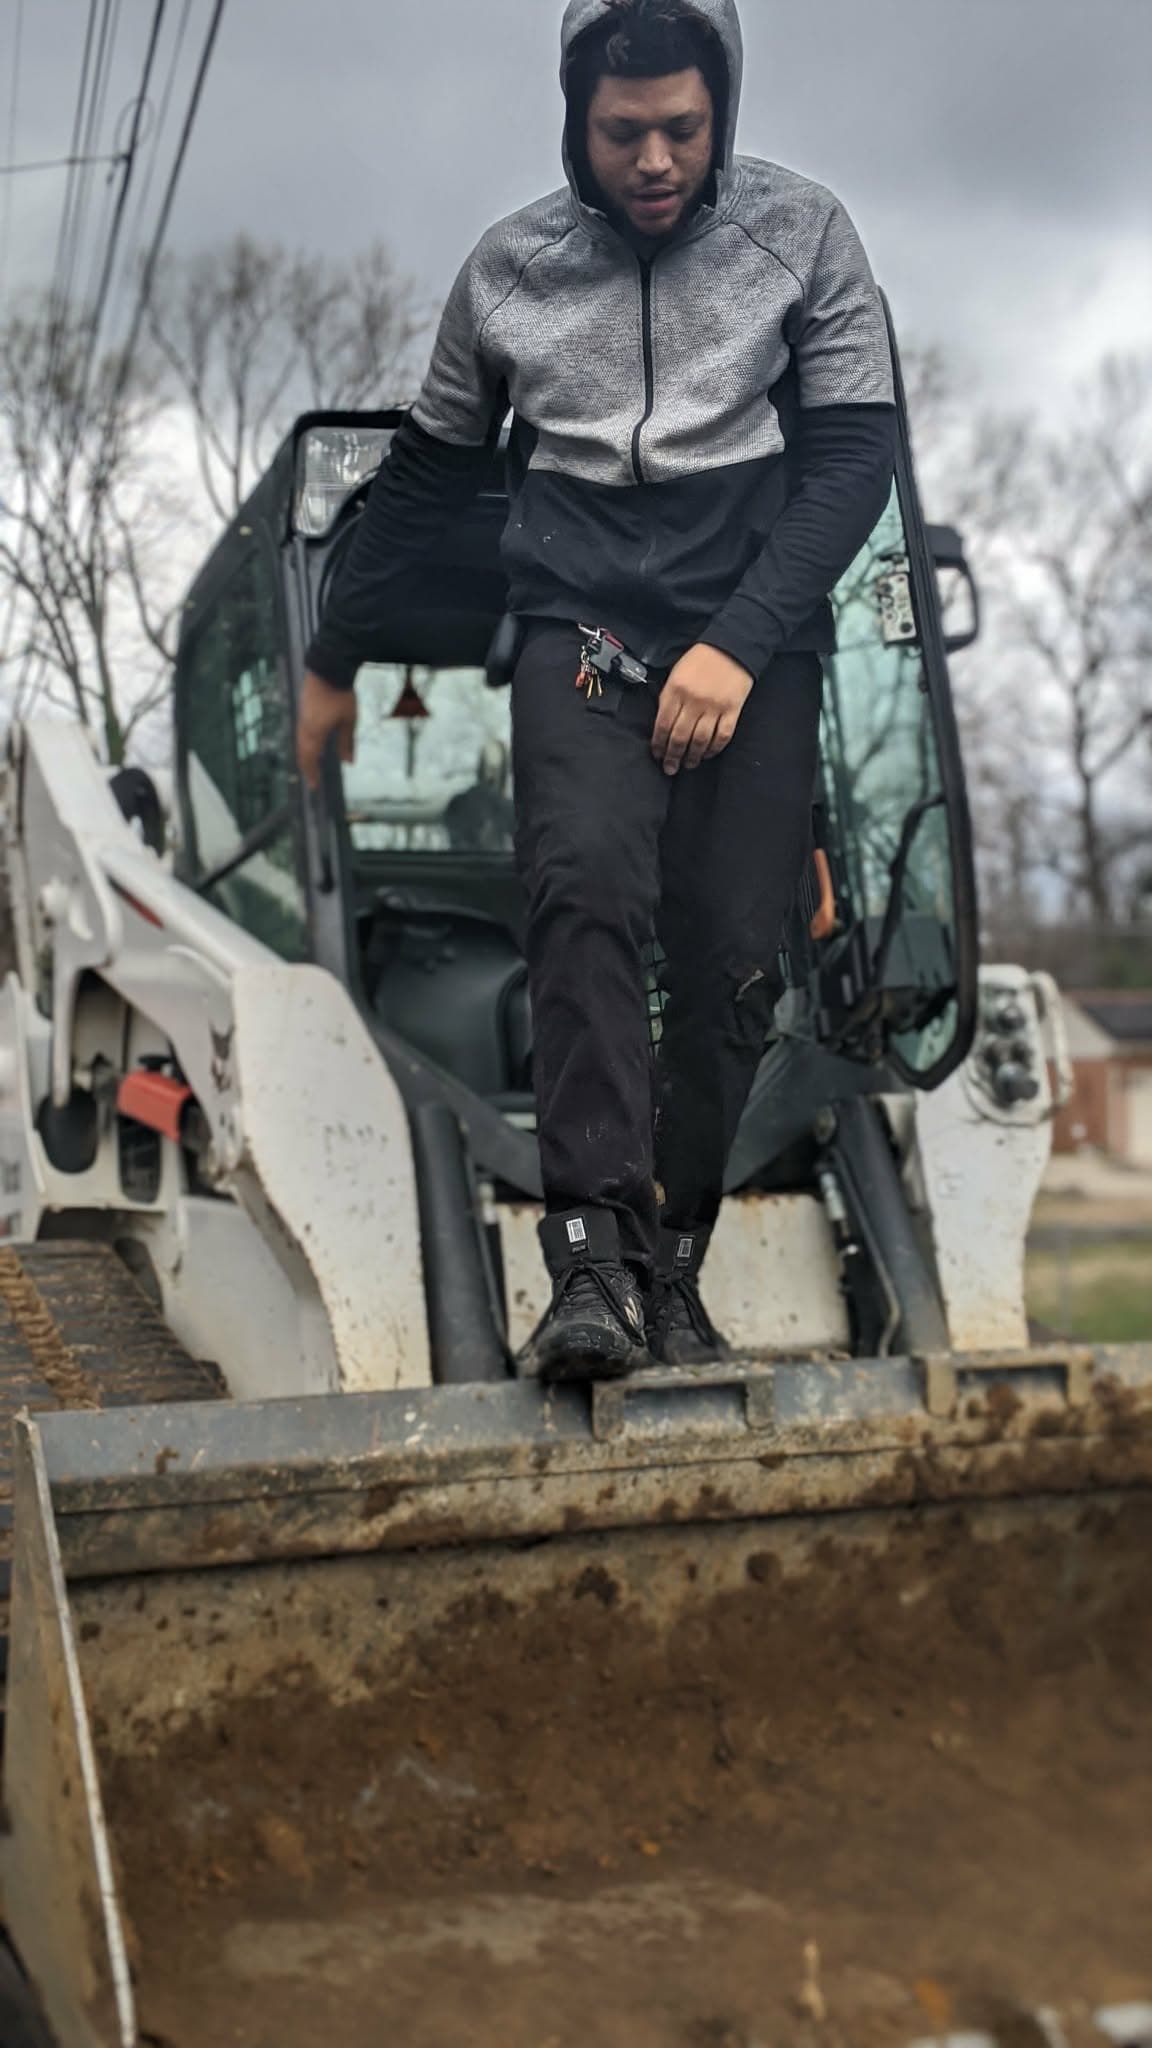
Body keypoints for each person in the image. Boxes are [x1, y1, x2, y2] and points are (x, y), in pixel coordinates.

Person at [297, 0, 896, 1384]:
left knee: (739, 964)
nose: (654, 159)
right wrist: (336, 656)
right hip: (581, 628)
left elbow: (854, 460)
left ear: (721, 111)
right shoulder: (507, 272)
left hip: (752, 640)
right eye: (623, 131)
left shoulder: (804, 238)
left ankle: (671, 1263)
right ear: (577, 119)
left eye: (682, 128)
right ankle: (588, 1267)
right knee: (583, 895)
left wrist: (739, 644)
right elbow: (430, 476)